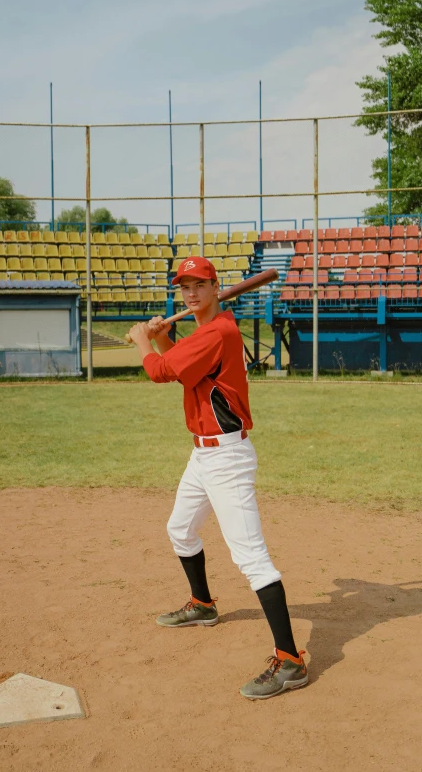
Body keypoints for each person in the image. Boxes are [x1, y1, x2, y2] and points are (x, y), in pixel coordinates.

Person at [128, 256, 308, 699]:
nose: (190, 294)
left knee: (252, 558)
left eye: (199, 285)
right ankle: (203, 604)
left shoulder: (219, 331)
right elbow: (185, 370)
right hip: (203, 456)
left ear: (215, 287)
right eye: (183, 287)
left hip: (226, 459)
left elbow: (159, 371)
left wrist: (141, 342)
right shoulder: (209, 333)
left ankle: (290, 661)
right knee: (180, 530)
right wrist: (167, 336)